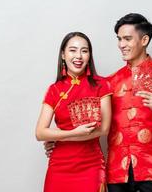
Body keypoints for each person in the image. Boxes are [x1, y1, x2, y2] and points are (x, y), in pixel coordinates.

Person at [45, 13, 152, 192]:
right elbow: (85, 119)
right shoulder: (109, 82)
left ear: (144, 40)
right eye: (119, 39)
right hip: (117, 171)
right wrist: (58, 140)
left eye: (127, 39)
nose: (121, 45)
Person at [36, 32, 112, 192]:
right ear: (63, 55)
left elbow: (104, 129)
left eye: (84, 51)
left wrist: (60, 136)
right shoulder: (54, 90)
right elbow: (40, 133)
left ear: (89, 55)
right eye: (73, 50)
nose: (78, 56)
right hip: (59, 166)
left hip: (91, 165)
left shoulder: (102, 85)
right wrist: (73, 133)